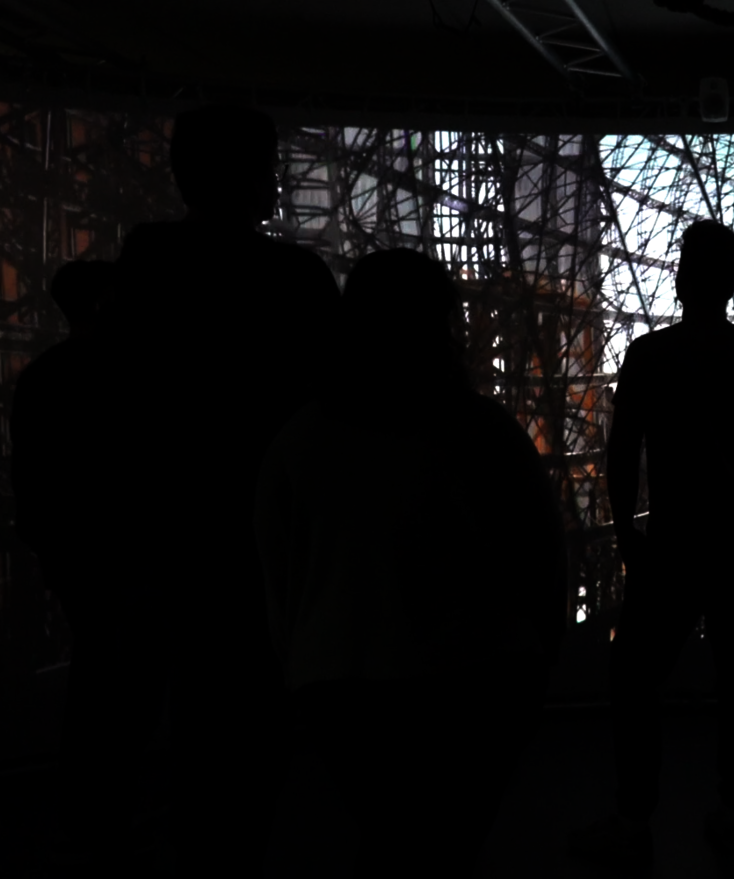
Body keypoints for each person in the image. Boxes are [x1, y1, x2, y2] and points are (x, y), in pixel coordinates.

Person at [255, 248, 566, 878]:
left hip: (341, 689)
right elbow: (542, 563)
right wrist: (536, 664)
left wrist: (303, 671)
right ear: (441, 324)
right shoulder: (486, 434)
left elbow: (278, 578)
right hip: (477, 681)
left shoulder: (299, 440)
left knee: (394, 843)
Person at [101, 102, 341, 878]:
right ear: (260, 176)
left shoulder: (148, 262)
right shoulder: (296, 280)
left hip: (170, 528)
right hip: (269, 536)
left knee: (195, 713)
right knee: (254, 720)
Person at [570, 220, 734, 875]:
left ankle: (634, 817)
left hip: (670, 544)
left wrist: (624, 532)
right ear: (732, 281)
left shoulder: (650, 354)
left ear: (682, 274)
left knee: (634, 677)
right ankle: (733, 810)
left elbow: (622, 453)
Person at [11, 260, 167, 867]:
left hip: (77, 554)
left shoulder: (44, 378)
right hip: (128, 553)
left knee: (102, 675)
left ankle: (92, 819)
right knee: (127, 685)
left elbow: (33, 479)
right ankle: (107, 816)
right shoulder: (131, 378)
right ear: (106, 304)